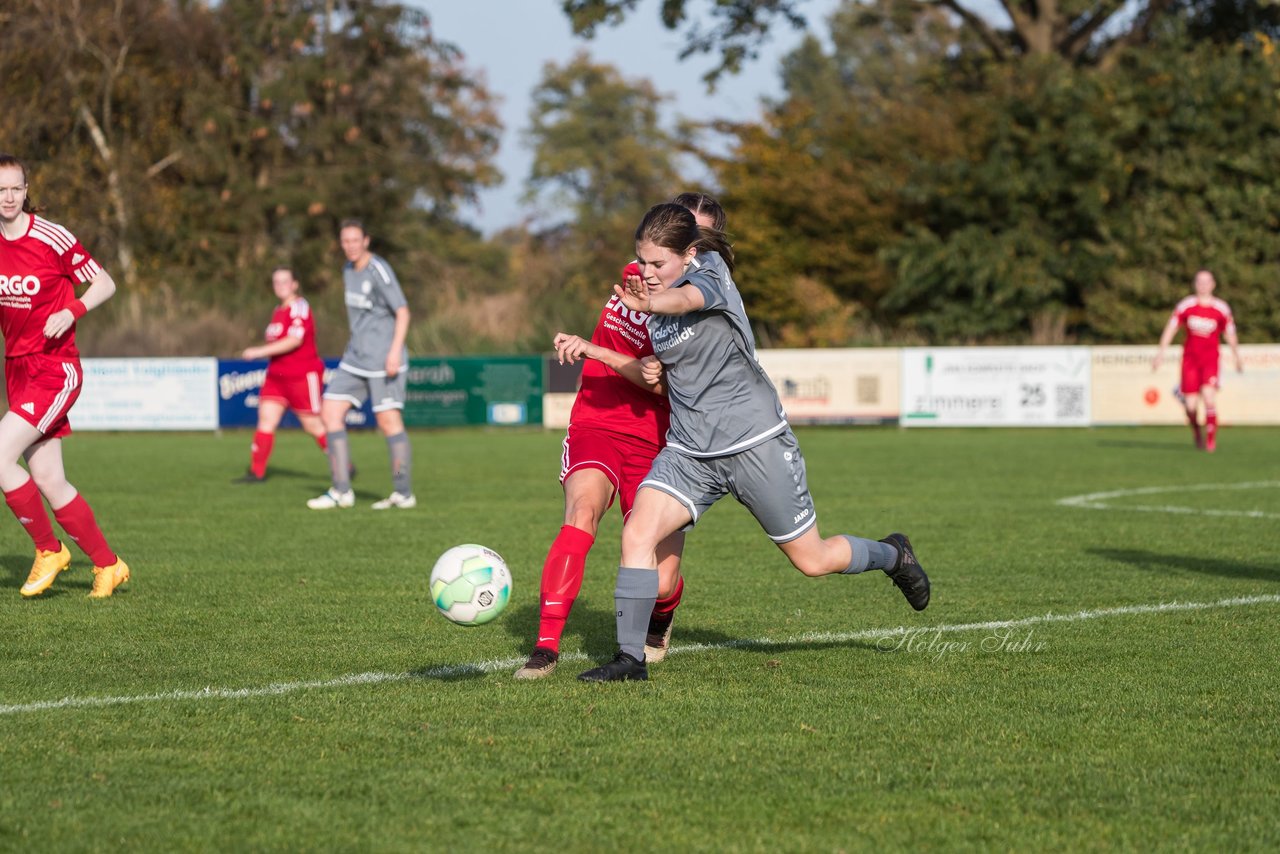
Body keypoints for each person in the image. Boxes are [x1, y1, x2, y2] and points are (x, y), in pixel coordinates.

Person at [578, 203, 930, 683]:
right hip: (690, 451)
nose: (648, 272)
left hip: (755, 445)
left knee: (813, 560)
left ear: (690, 252)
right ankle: (629, 659)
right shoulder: (652, 294)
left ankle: (894, 554)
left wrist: (651, 303)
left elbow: (684, 303)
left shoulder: (710, 275)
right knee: (636, 534)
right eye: (642, 261)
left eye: (659, 263)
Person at [513, 193, 728, 680]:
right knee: (581, 514)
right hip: (598, 418)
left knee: (663, 575)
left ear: (703, 249)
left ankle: (662, 612)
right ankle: (546, 647)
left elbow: (655, 380)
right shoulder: (639, 272)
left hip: (663, 438)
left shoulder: (704, 304)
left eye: (696, 235)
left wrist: (592, 350)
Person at [0, 154, 130, 598]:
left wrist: (72, 310)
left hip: (56, 369)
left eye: (16, 188)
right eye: (1, 190)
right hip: (17, 368)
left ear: (26, 189)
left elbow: (106, 283)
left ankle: (48, 549)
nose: (9, 197)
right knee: (51, 481)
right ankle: (108, 566)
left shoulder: (51, 236)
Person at [307, 219, 415, 510]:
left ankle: (403, 493)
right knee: (330, 412)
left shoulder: (378, 269)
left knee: (388, 421)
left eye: (355, 240)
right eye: (345, 241)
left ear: (366, 241)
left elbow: (403, 312)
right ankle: (342, 490)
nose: (350, 246)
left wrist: (394, 352)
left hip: (384, 359)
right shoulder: (346, 270)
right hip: (355, 357)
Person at [233, 266, 328, 483]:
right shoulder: (278, 310)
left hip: (301, 375)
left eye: (285, 281)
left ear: (294, 284)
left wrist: (259, 351)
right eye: (276, 282)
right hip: (277, 376)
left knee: (313, 425)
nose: (280, 286)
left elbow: (295, 340)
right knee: (266, 420)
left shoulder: (300, 307)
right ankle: (257, 472)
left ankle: (342, 464)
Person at [1152, 269, 1242, 453]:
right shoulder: (1186, 306)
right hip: (1190, 361)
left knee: (1209, 398)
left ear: (1213, 284)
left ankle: (1210, 440)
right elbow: (1171, 328)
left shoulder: (1221, 308)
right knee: (1191, 406)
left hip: (1210, 360)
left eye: (1206, 281)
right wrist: (1160, 353)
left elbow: (1230, 334)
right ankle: (1197, 432)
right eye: (1199, 281)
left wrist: (1236, 356)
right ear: (1195, 284)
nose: (1203, 285)